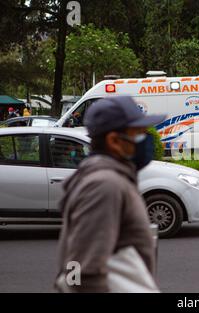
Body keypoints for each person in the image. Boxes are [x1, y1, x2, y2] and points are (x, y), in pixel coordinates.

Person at [55, 96, 166, 292]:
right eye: (139, 134)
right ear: (114, 141)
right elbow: (81, 270)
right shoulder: (105, 185)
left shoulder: (112, 179)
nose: (147, 139)